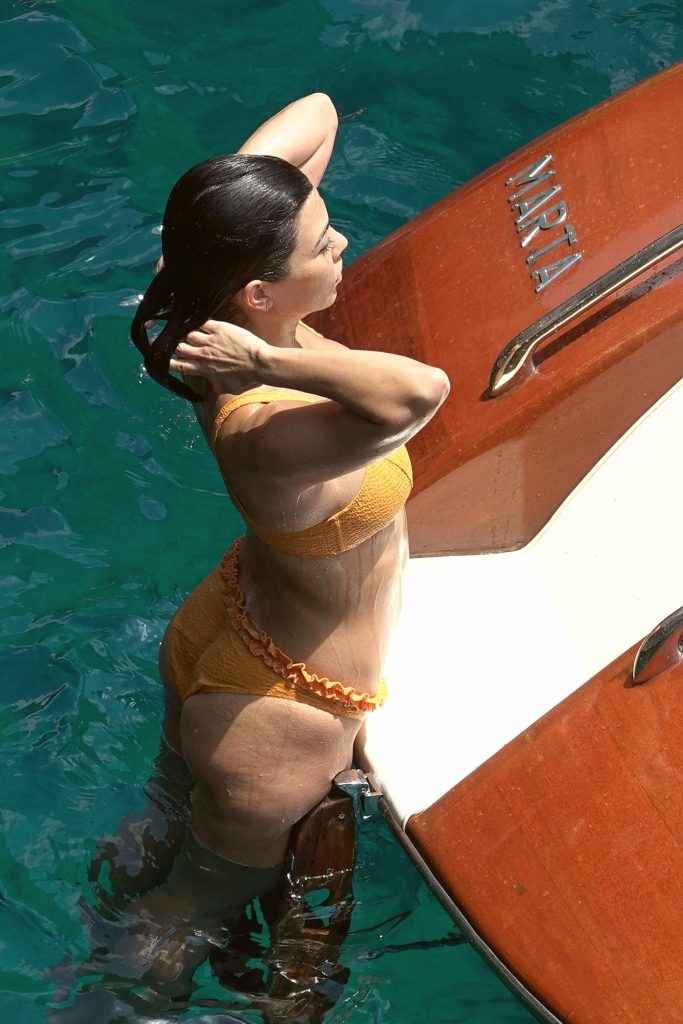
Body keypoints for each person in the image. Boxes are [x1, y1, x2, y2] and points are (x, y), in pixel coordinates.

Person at [48, 93, 450, 1020]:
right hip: (284, 711)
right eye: (320, 244)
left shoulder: (206, 297)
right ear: (259, 295)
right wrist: (270, 364)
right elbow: (418, 394)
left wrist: (238, 213)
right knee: (181, 919)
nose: (341, 242)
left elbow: (319, 114)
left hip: (225, 636)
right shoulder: (263, 424)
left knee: (163, 828)